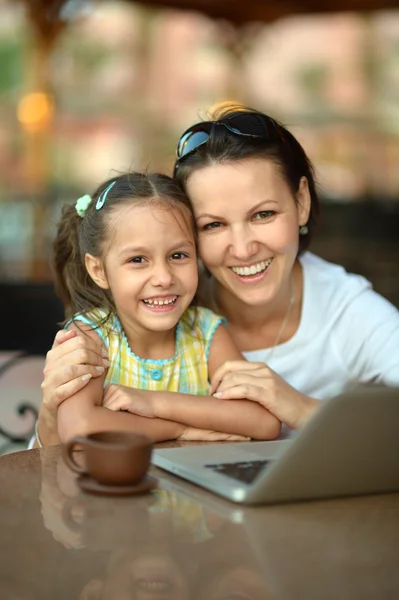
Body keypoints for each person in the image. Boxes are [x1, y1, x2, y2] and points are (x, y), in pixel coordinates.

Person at [36, 104, 399, 446]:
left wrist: (301, 408)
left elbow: (262, 423)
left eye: (263, 215)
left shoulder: (346, 311)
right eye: (213, 225)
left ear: (301, 202)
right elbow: (61, 445)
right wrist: (49, 420)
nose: (242, 249)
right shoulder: (159, 309)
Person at [40, 171, 280, 446]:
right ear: (98, 270)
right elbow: (81, 428)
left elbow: (264, 421)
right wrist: (178, 430)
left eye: (178, 255)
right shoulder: (91, 337)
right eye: (138, 259)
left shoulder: (206, 332)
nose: (164, 278)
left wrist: (154, 403)